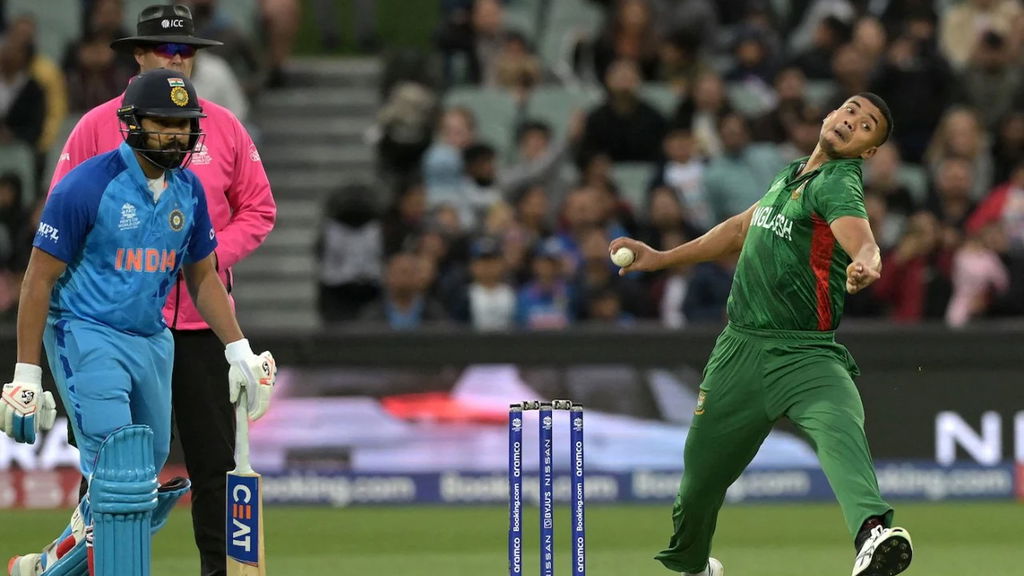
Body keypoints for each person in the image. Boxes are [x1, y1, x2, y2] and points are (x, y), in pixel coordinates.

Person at [609, 93, 914, 576]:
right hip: (739, 351)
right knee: (698, 483)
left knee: (841, 431)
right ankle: (694, 566)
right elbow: (737, 230)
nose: (852, 122)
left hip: (805, 354)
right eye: (850, 110)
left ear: (869, 151)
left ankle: (872, 534)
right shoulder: (791, 173)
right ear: (830, 113)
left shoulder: (838, 183)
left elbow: (864, 241)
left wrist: (865, 263)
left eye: (866, 125)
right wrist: (661, 258)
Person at [2, 69, 276, 576]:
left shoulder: (189, 191)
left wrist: (239, 349)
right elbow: (37, 279)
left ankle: (48, 565)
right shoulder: (86, 186)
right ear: (132, 123)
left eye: (183, 124)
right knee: (119, 474)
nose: (174, 134)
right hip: (85, 332)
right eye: (162, 123)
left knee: (142, 482)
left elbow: (202, 277)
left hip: (152, 338)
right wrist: (26, 374)